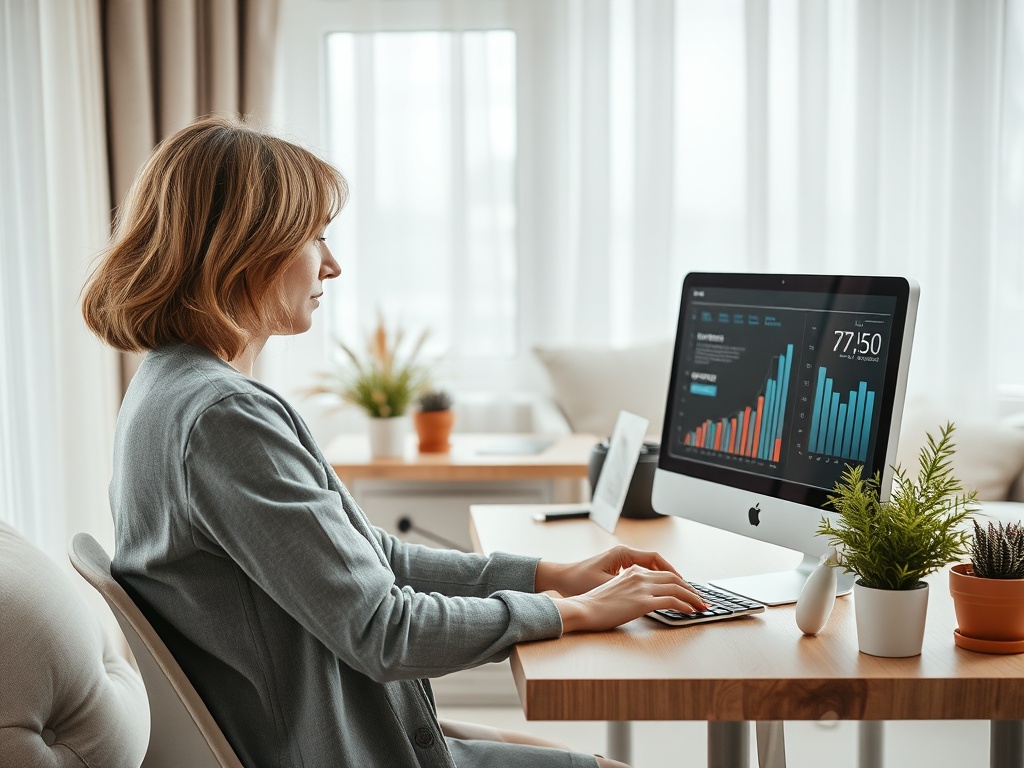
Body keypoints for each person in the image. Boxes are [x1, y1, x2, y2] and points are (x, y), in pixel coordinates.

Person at [81, 114, 705, 768]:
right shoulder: (224, 418)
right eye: (315, 237)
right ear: (245, 248)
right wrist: (567, 611)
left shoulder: (168, 386)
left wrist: (551, 576)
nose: (333, 264)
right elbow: (384, 631)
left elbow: (367, 558)